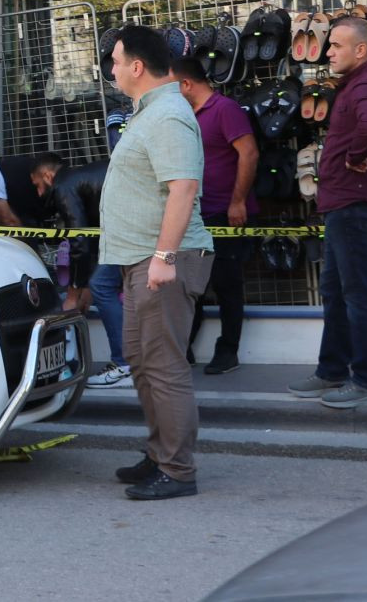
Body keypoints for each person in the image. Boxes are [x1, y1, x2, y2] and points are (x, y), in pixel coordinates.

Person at [99, 26, 213, 501]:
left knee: (164, 368)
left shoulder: (167, 115)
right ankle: (159, 454)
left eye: (116, 61)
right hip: (140, 261)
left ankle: (178, 470)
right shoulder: (151, 113)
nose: (112, 70)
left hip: (161, 260)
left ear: (137, 67)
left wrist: (164, 257)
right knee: (144, 366)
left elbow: (182, 188)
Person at [288, 17, 367, 409]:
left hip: (354, 202)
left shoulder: (366, 84)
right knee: (335, 290)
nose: (328, 51)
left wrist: (354, 156)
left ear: (361, 50)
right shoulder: (359, 84)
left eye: (336, 45)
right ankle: (332, 371)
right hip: (343, 202)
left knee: (357, 293)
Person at [173, 58, 259, 375]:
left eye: (172, 87)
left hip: (224, 214)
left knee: (226, 285)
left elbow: (248, 152)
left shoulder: (224, 109)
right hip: (195, 213)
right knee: (189, 284)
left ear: (186, 84)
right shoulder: (186, 115)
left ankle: (228, 351)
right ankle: (184, 349)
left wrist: (238, 202)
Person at [30, 154, 130, 388]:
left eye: (37, 185)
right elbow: (92, 239)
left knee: (102, 287)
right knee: (106, 287)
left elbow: (80, 239)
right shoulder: (80, 179)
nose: (39, 193)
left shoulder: (64, 186)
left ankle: (124, 365)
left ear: (47, 175)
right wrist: (83, 287)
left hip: (128, 228)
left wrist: (74, 292)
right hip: (129, 225)